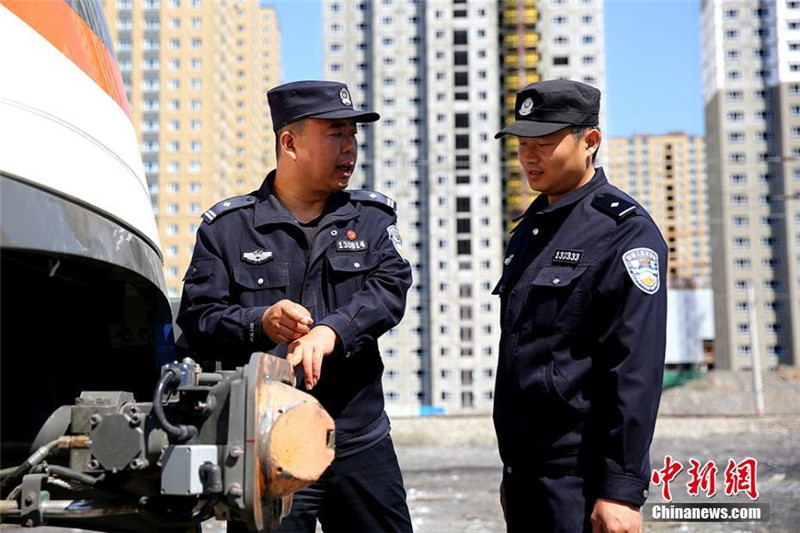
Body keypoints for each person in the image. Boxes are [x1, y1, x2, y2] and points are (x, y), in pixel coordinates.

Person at [177, 80, 413, 533]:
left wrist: (333, 331)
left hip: (359, 439)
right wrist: (259, 323)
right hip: (269, 445)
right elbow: (199, 317)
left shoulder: (370, 219)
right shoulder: (227, 229)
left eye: (353, 135)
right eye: (336, 134)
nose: (350, 148)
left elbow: (390, 288)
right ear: (289, 142)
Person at [492, 79, 667, 533]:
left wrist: (620, 490)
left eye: (544, 144)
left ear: (590, 141)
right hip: (527, 475)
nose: (528, 157)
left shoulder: (625, 232)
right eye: (522, 144)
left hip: (580, 481)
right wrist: (513, 473)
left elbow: (634, 368)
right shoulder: (530, 230)